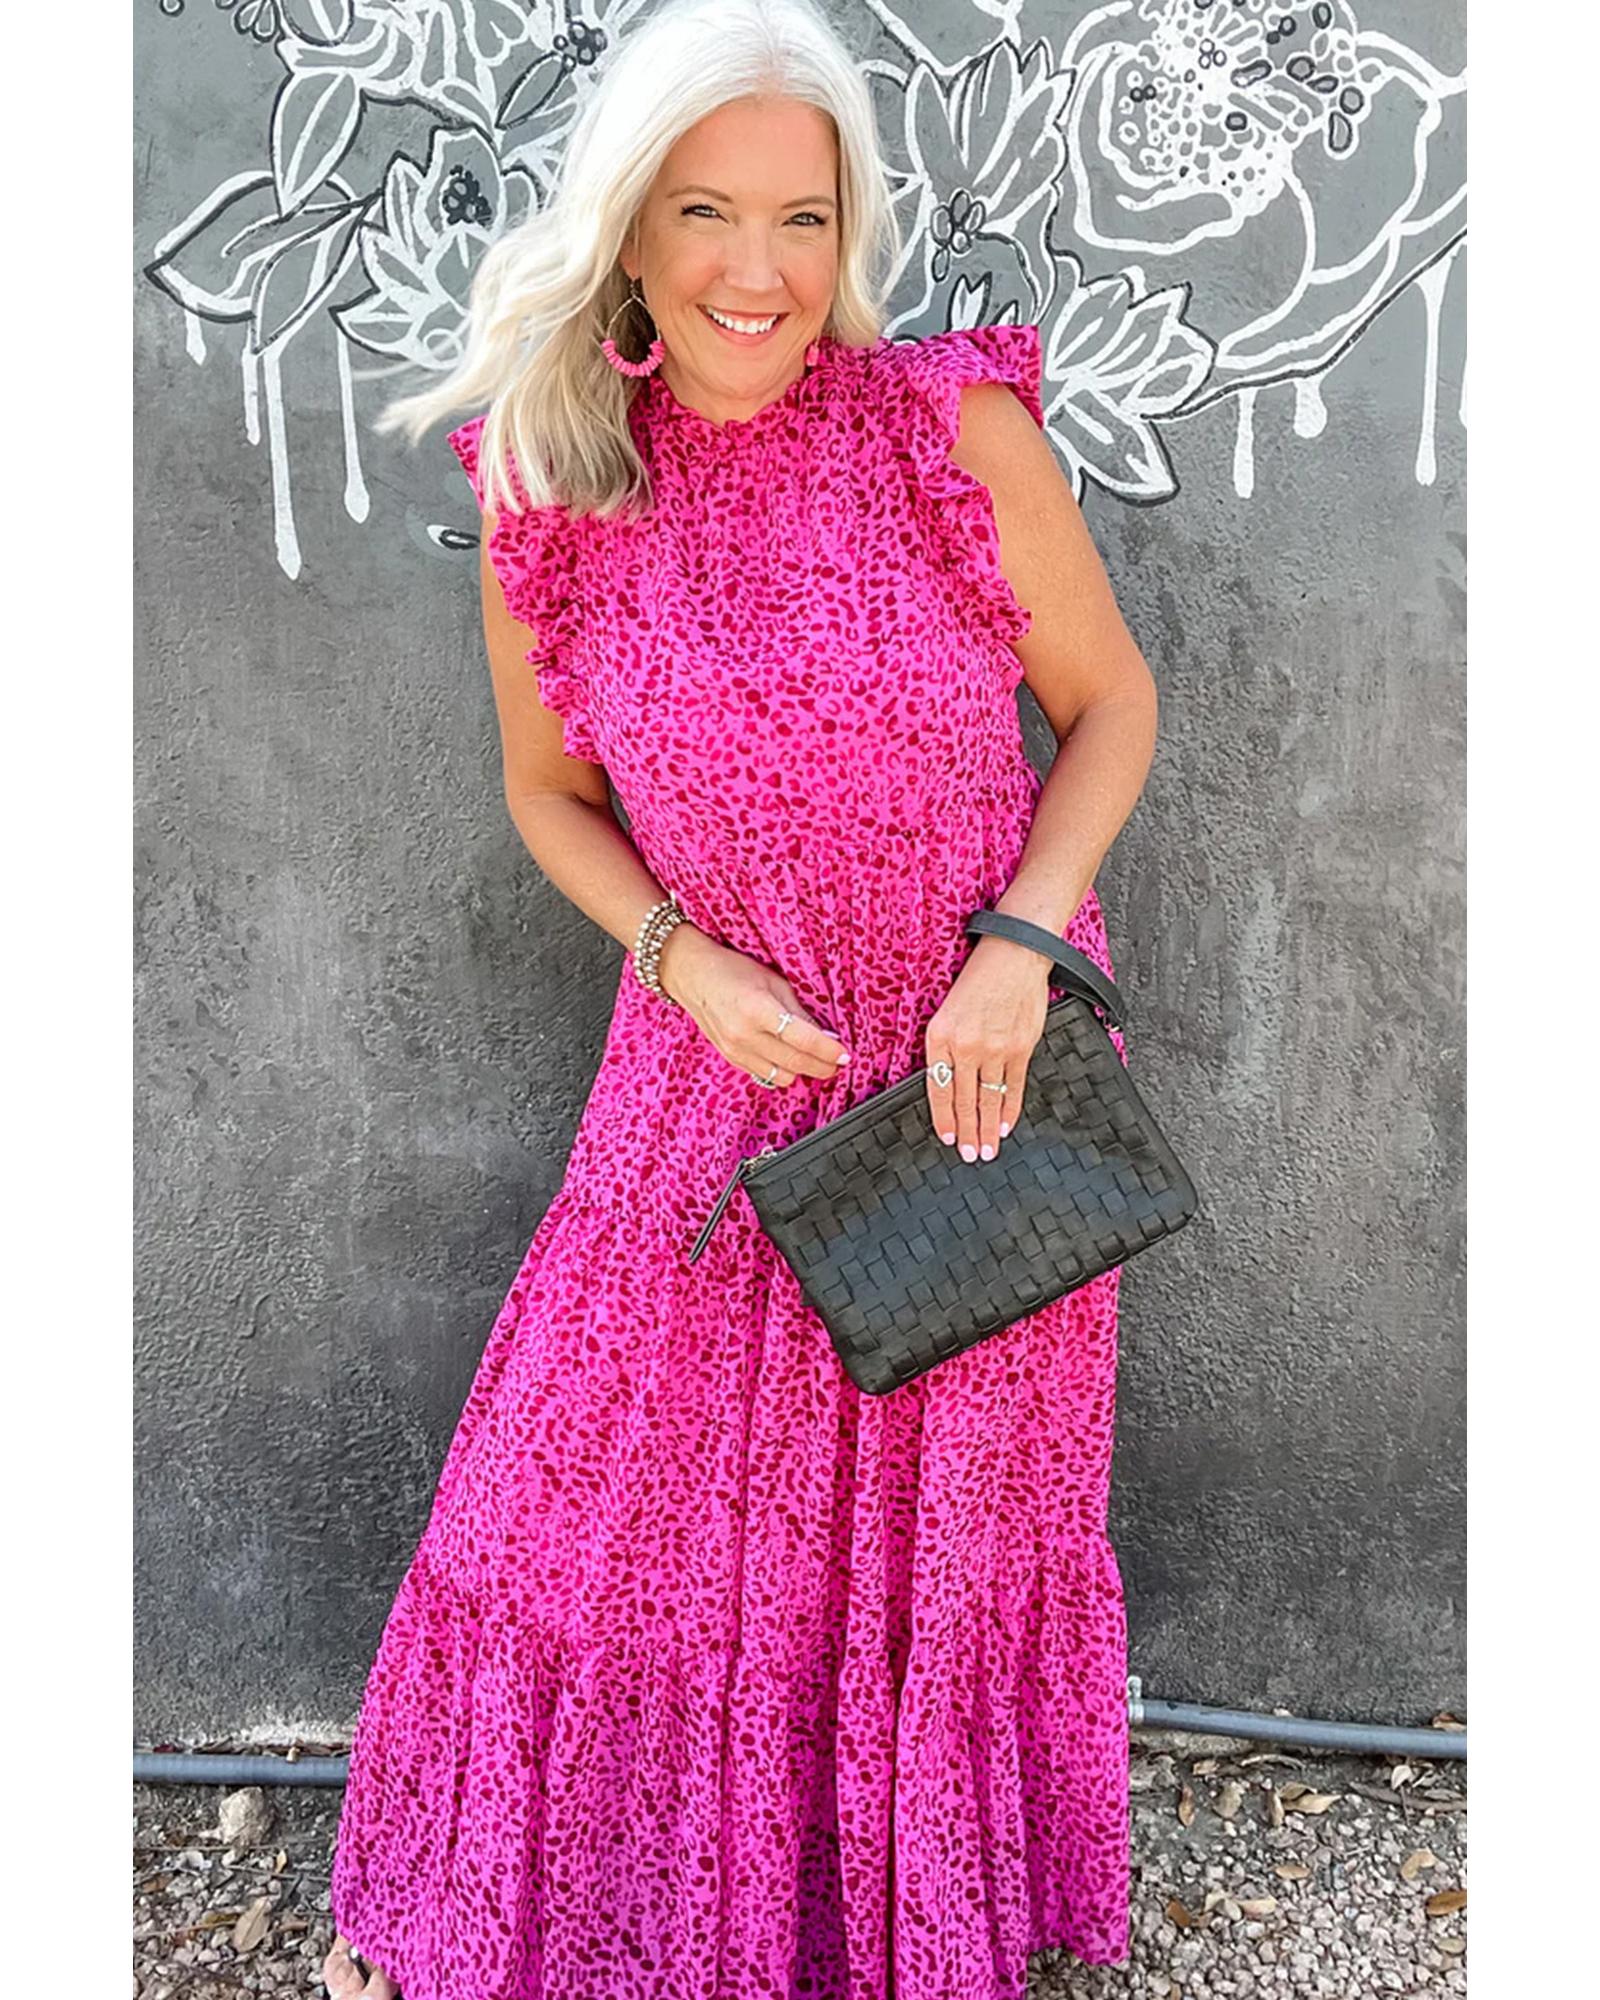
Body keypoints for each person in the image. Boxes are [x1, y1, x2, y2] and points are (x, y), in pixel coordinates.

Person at [323, 2, 1159, 1995]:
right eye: (705, 210)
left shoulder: (950, 435)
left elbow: (1112, 706)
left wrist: (1017, 953)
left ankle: (895, 1932)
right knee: (587, 1511)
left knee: (935, 1546)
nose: (757, 268)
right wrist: (675, 956)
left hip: (974, 1083)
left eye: (803, 215)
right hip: (706, 1074)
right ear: (628, 223)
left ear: (848, 232)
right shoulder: (555, 488)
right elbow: (546, 792)